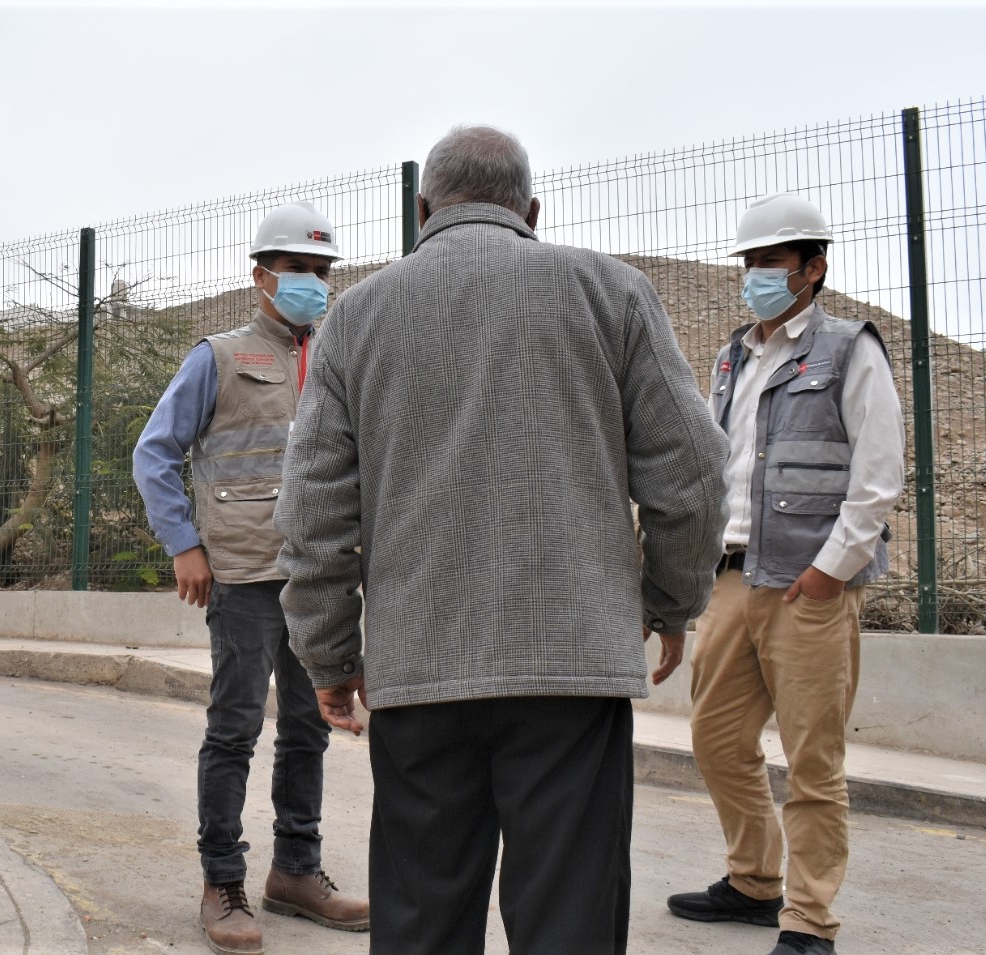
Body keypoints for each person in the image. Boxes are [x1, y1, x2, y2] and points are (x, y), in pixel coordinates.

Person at [274, 125, 730, 955]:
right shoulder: (612, 293)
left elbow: (312, 513)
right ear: (530, 209)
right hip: (570, 672)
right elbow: (693, 471)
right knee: (569, 921)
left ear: (422, 211)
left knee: (419, 922)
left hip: (418, 673)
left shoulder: (356, 318)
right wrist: (669, 602)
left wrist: (331, 658)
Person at [666, 193, 905, 955]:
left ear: (813, 268)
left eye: (770, 263)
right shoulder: (734, 355)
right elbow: (717, 466)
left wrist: (831, 572)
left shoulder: (848, 349)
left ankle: (808, 917)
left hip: (810, 586)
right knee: (715, 738)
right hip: (734, 578)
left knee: (812, 760)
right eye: (750, 263)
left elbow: (878, 474)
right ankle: (753, 881)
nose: (756, 276)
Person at [132, 201, 370, 955]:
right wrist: (183, 544)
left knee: (309, 729)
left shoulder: (338, 359)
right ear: (261, 275)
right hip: (240, 574)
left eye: (323, 271)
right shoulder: (220, 356)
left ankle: (296, 870)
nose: (312, 283)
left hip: (320, 579)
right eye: (299, 270)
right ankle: (222, 881)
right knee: (234, 729)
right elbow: (155, 451)